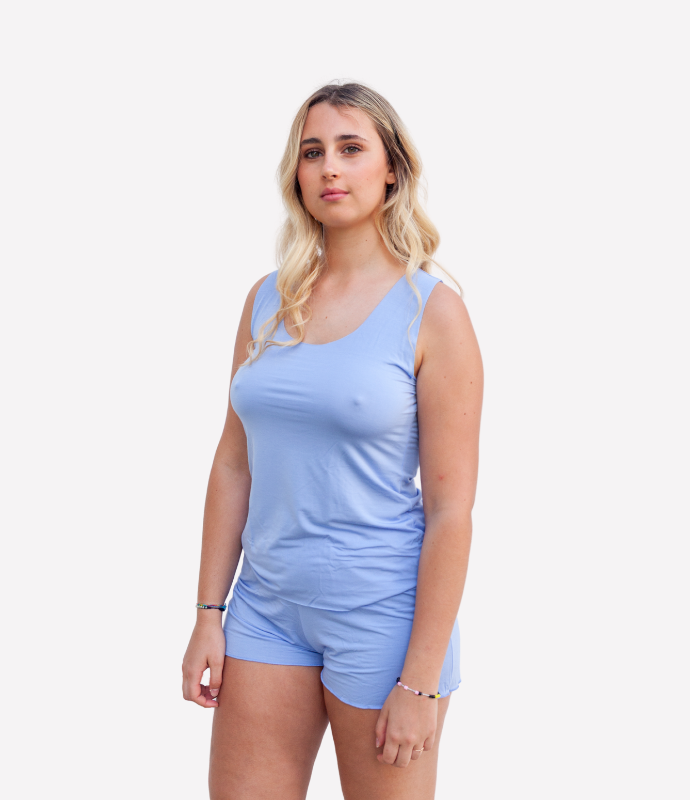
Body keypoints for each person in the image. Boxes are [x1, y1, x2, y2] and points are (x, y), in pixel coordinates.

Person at [182, 80, 484, 800]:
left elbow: (451, 512)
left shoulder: (434, 314)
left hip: (382, 617)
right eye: (312, 151)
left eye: (351, 149)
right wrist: (207, 615)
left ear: (392, 169)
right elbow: (233, 464)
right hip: (265, 610)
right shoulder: (266, 300)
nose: (329, 168)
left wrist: (420, 681)